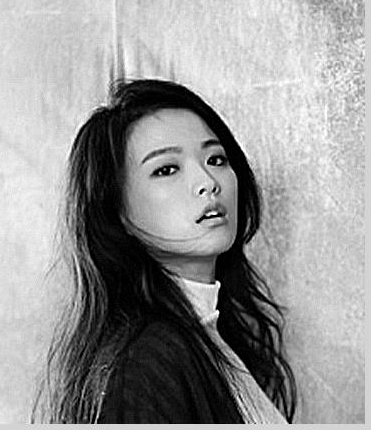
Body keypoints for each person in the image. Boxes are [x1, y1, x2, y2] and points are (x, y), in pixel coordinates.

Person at [30, 78, 298, 423]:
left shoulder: (212, 334)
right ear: (117, 211)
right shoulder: (146, 362)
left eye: (216, 159)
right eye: (167, 169)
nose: (208, 182)